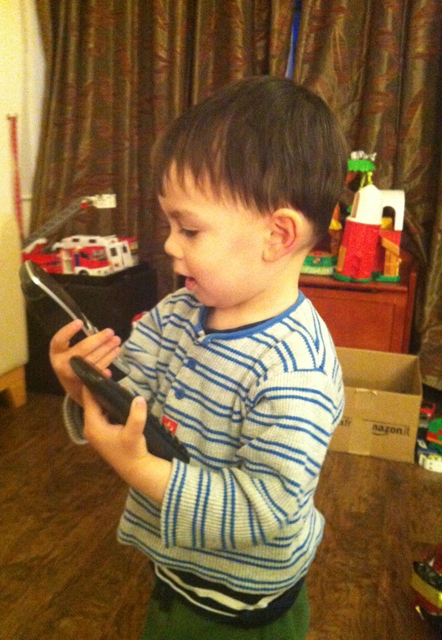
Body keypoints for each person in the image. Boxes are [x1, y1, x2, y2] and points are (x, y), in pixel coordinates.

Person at [50, 76, 348, 640]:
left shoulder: (295, 370)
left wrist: (138, 469)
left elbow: (266, 510)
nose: (169, 244)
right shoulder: (177, 311)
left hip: (241, 609)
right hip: (176, 570)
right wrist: (84, 384)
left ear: (277, 235)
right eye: (171, 225)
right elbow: (133, 397)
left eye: (189, 228)